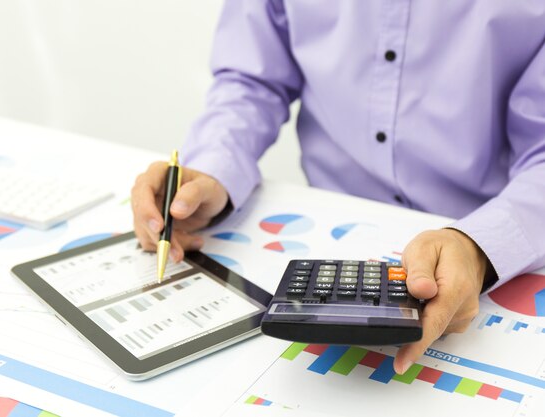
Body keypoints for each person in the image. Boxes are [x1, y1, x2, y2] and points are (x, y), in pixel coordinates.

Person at [131, 1, 545, 374]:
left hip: (489, 247)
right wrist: (214, 169)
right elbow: (252, 80)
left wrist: (479, 246)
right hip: (326, 226)